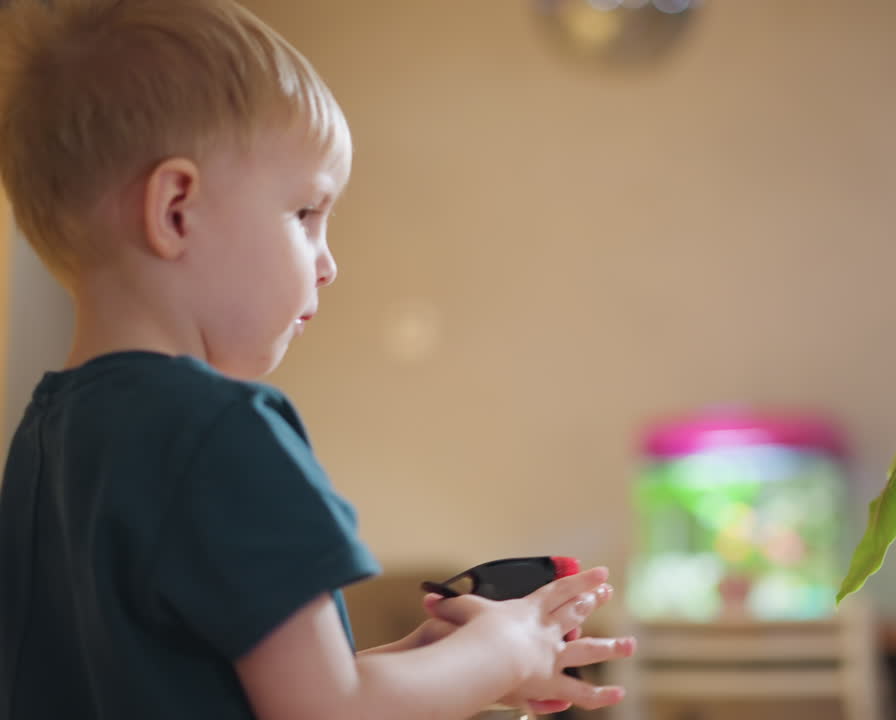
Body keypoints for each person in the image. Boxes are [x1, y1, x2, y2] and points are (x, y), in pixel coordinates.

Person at [0, 1, 635, 718]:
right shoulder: (222, 430)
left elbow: (255, 691)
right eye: (305, 213)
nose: (327, 264)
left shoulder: (47, 438)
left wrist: (446, 663)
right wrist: (506, 651)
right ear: (177, 209)